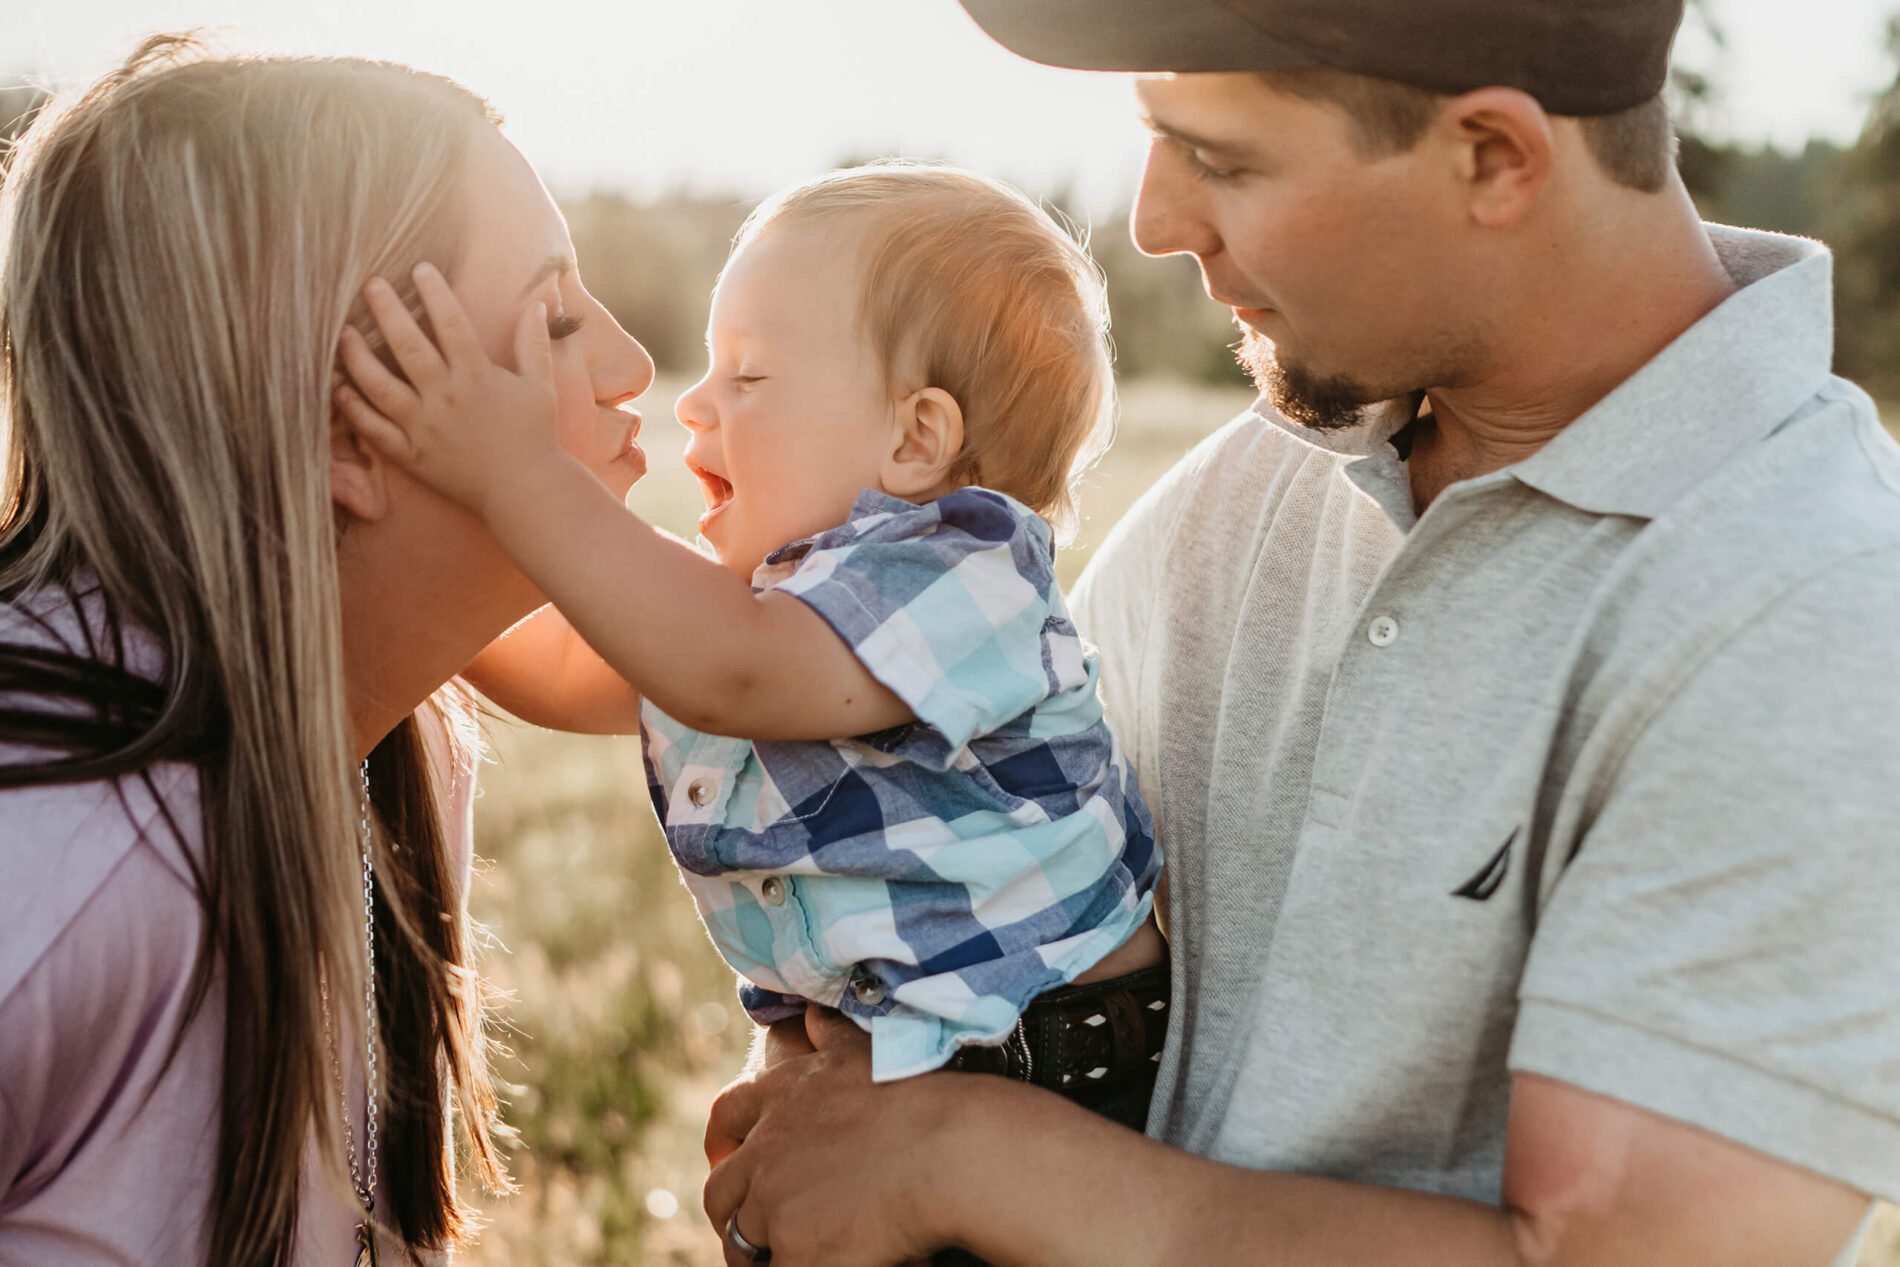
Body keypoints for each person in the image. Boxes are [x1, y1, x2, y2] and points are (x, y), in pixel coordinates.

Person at [694, 1, 1900, 1264]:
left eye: (1221, 160)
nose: (1156, 222)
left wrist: (962, 1159)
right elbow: (966, 876)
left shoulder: (1812, 620)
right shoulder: (1265, 477)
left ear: (1493, 156)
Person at [334, 165, 1169, 1159]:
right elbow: (565, 665)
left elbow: (723, 671)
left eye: (749, 376)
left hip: (1057, 1075)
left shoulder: (963, 576)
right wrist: (390, 566)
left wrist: (515, 472)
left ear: (916, 438)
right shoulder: (763, 617)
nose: (692, 406)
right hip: (911, 1067)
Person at [0, 34, 653, 1265]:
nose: (632, 367)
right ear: (352, 430)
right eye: (557, 319)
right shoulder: (58, 859)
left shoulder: (405, 747)